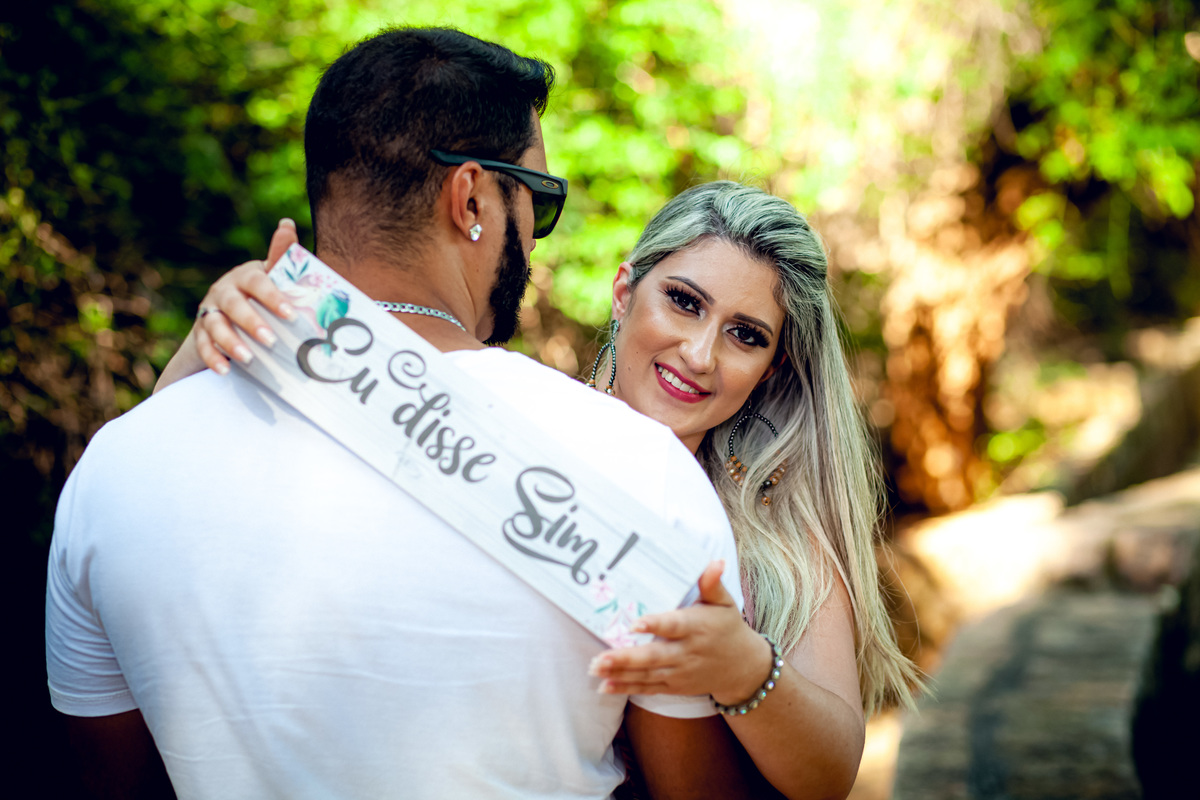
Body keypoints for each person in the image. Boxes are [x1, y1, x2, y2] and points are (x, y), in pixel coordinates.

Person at [45, 28, 755, 800]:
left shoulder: (112, 473)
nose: (536, 241)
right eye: (538, 202)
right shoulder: (639, 471)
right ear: (472, 199)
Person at [164, 181, 925, 799]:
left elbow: (831, 773)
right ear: (625, 291)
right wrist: (219, 330)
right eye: (684, 302)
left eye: (745, 334)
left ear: (774, 367)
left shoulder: (781, 531)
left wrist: (744, 671)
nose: (700, 353)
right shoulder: (506, 435)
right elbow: (148, 479)